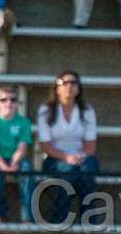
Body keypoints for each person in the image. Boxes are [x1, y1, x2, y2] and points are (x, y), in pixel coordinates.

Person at [36, 70, 99, 225]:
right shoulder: (46, 110)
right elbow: (45, 146)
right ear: (56, 88)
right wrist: (67, 158)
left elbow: (91, 145)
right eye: (64, 83)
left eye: (73, 83)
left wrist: (80, 157)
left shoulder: (87, 111)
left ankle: (89, 220)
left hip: (81, 157)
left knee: (87, 169)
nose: (69, 86)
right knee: (67, 171)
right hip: (54, 158)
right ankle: (60, 218)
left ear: (78, 89)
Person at [0, 85, 34, 224]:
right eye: (4, 99)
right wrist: (3, 166)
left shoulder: (24, 123)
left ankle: (27, 217)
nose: (9, 103)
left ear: (17, 103)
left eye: (13, 100)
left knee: (27, 173)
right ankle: (1, 214)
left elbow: (22, 147)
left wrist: (14, 162)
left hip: (16, 158)